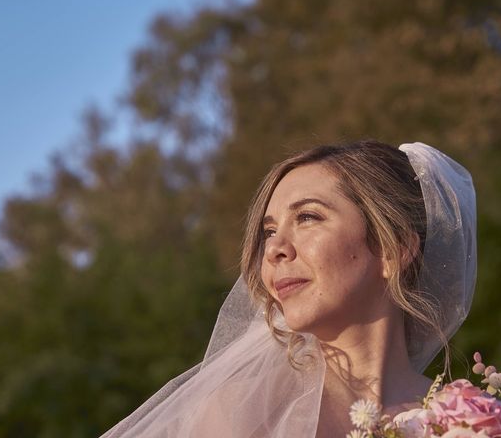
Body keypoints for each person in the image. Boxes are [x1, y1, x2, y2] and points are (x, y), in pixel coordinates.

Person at [102, 139, 477, 437]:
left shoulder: (471, 422)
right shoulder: (242, 415)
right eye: (269, 231)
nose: (275, 249)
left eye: (307, 217)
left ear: (394, 249)